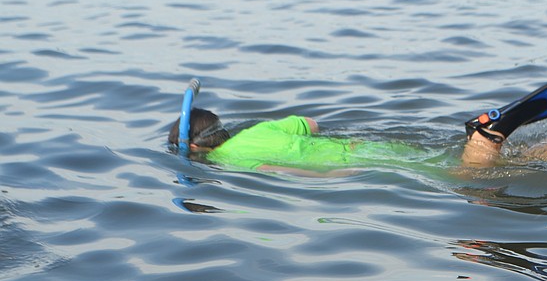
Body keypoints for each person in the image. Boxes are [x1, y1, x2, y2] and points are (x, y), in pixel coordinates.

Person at [167, 108, 505, 175]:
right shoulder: (258, 130)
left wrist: (337, 176)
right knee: (505, 164)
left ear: (192, 147)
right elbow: (312, 124)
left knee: (468, 176)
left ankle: (484, 139)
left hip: (353, 161)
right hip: (358, 145)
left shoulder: (231, 162)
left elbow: (286, 172)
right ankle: (545, 147)